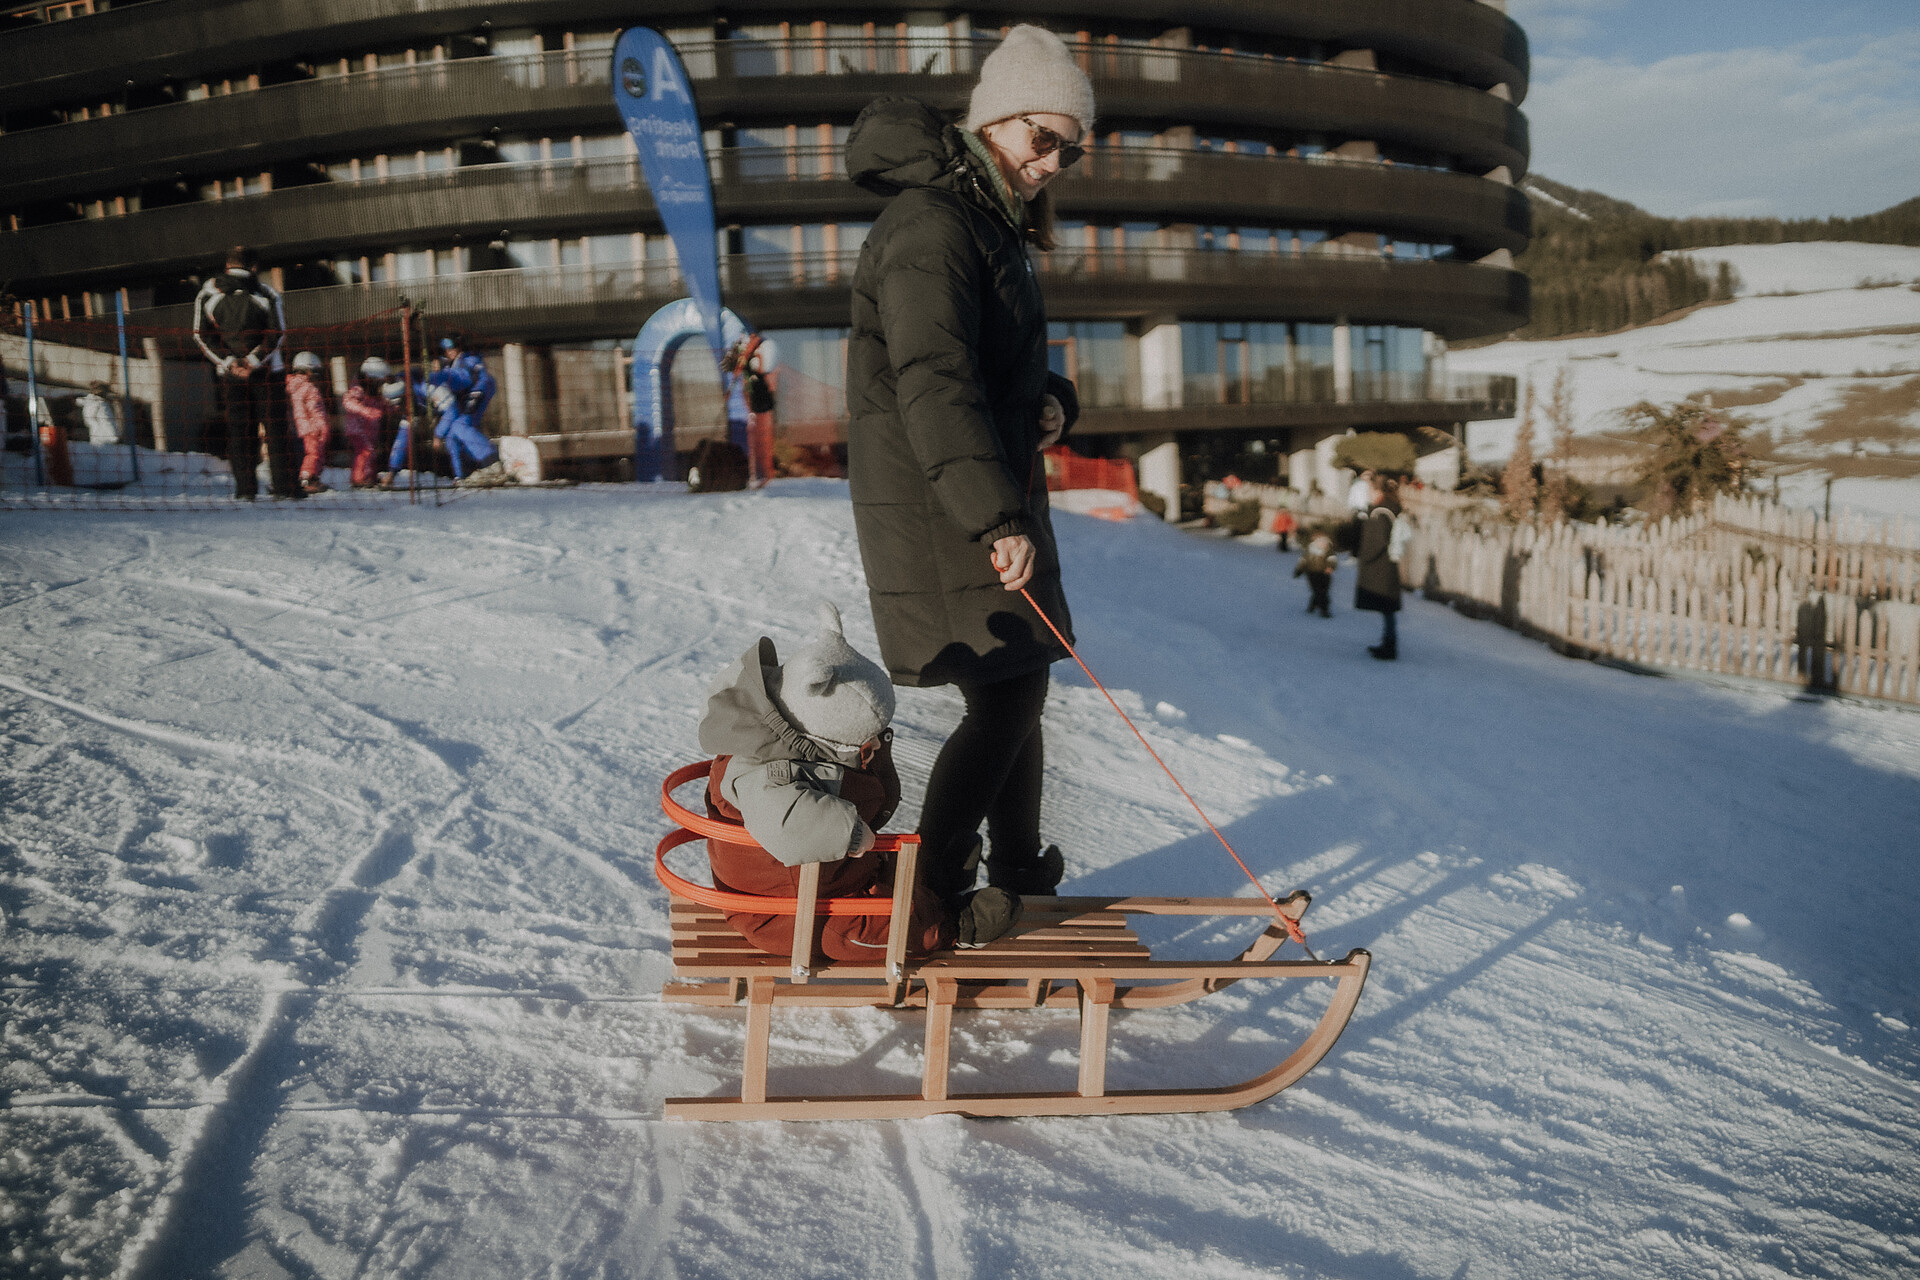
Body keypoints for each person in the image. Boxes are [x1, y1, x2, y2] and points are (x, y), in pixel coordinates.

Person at [844, 24, 1091, 907]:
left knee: (1015, 685)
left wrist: (1050, 398)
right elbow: (933, 379)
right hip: (941, 498)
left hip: (962, 485)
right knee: (1007, 697)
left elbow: (986, 362)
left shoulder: (983, 223)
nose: (1056, 160)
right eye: (1043, 136)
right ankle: (937, 894)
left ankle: (1016, 869)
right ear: (994, 122)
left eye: (1072, 145)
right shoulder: (931, 224)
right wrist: (995, 514)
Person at [697, 603, 1021, 958]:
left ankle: (932, 881)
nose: (870, 744)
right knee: (880, 926)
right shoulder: (758, 771)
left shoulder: (786, 731)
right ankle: (951, 925)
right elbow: (786, 819)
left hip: (826, 878)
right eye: (860, 740)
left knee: (894, 869)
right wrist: (848, 830)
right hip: (790, 916)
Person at [193, 246, 300, 500]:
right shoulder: (266, 292)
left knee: (240, 432)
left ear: (227, 266)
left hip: (231, 377)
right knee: (276, 432)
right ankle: (285, 489)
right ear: (253, 267)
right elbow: (278, 333)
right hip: (268, 373)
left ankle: (245, 490)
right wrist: (254, 360)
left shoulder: (207, 293)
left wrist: (230, 362)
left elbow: (200, 335)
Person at [1356, 474, 1405, 659]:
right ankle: (1387, 642)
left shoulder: (1380, 511)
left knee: (1387, 607)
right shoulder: (1389, 507)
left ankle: (1390, 646)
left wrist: (1365, 557)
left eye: (1369, 490)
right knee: (1387, 608)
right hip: (1387, 565)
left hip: (1381, 566)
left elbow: (1377, 540)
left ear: (1377, 491)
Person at [341, 357, 395, 489]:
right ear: (371, 377)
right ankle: (358, 479)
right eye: (379, 380)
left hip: (371, 430)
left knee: (371, 453)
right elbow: (347, 402)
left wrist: (392, 408)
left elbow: (382, 406)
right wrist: (365, 410)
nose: (381, 383)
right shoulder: (357, 390)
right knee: (365, 452)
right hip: (357, 429)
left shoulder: (375, 392)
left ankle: (370, 476)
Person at [286, 351, 331, 493]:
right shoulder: (310, 388)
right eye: (315, 371)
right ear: (307, 370)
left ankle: (310, 477)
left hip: (299, 427)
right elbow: (314, 409)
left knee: (307, 453)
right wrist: (322, 425)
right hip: (312, 427)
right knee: (314, 453)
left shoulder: (292, 387)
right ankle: (307, 478)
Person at [1294, 533, 1336, 618]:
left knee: (1322, 591)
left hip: (1324, 574)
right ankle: (1324, 610)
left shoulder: (1329, 552)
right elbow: (1303, 561)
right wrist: (1298, 571)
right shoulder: (1310, 551)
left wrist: (1330, 567)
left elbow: (1332, 560)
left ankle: (1312, 606)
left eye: (1325, 544)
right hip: (1312, 574)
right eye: (1320, 544)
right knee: (1319, 591)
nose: (1323, 546)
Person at [78, 381, 121, 445]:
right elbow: (91, 419)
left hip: (103, 438)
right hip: (103, 439)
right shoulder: (97, 403)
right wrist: (113, 436)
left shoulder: (97, 402)